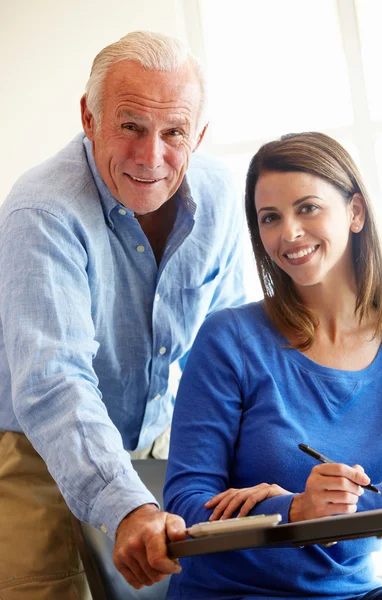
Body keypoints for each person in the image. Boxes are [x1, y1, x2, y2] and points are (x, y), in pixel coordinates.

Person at [0, 31, 246, 598]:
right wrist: (128, 504)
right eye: (130, 125)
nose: (150, 156)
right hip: (37, 451)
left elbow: (232, 355)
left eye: (173, 133)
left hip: (158, 450)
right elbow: (54, 382)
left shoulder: (218, 194)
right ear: (89, 118)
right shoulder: (42, 210)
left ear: (199, 135)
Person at [164, 132, 382, 599]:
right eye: (270, 218)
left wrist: (341, 505)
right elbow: (185, 508)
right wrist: (294, 509)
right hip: (237, 594)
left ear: (355, 212)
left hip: (352, 593)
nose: (288, 232)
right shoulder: (229, 339)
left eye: (307, 207)